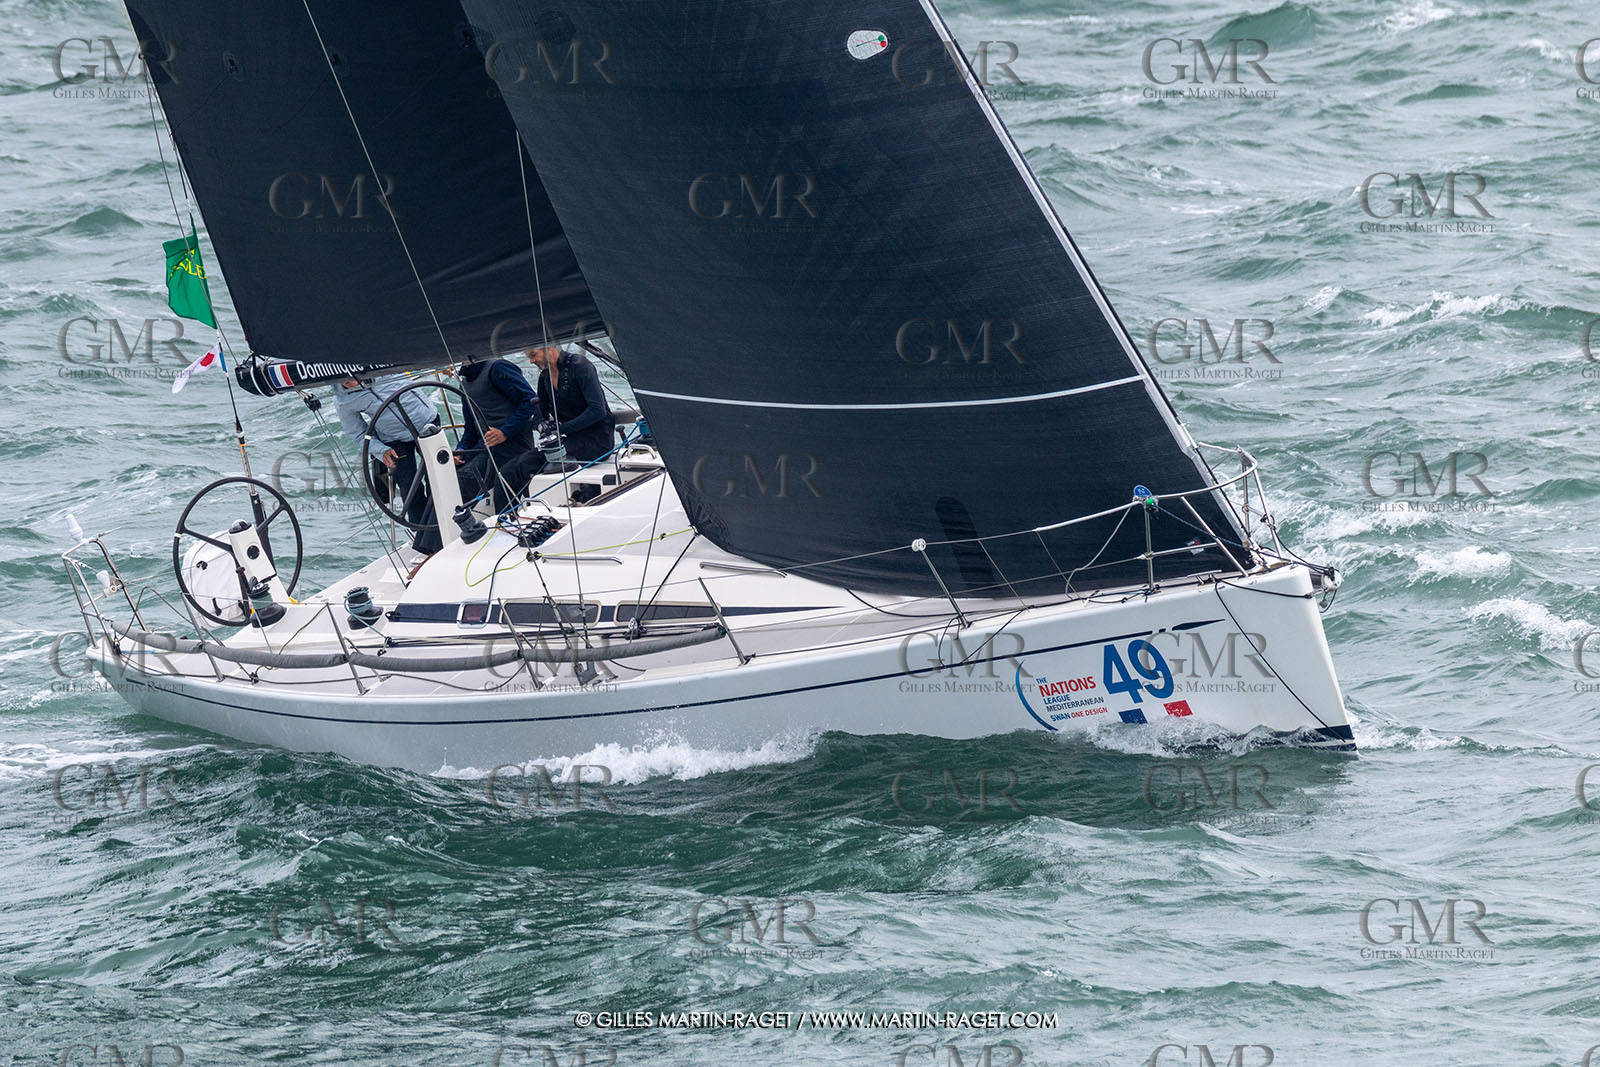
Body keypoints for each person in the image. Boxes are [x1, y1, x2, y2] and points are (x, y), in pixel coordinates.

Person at [334, 375, 445, 553]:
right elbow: (358, 434)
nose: (345, 383)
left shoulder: (384, 368)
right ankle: (424, 536)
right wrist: (381, 450)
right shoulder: (343, 401)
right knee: (410, 488)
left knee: (438, 477)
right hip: (392, 439)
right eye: (340, 381)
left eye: (348, 378)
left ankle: (444, 520)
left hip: (426, 422)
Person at [453, 357, 542, 512]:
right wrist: (461, 450)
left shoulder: (498, 368)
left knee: (463, 480)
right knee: (447, 478)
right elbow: (470, 428)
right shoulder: (464, 384)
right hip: (485, 447)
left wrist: (504, 432)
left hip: (513, 444)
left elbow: (530, 400)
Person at [526, 344, 615, 462]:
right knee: (517, 465)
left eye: (533, 355)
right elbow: (539, 413)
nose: (532, 361)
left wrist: (560, 430)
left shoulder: (580, 365)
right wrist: (542, 427)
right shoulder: (545, 376)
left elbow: (598, 410)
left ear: (549, 347)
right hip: (569, 440)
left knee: (528, 463)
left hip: (597, 441)